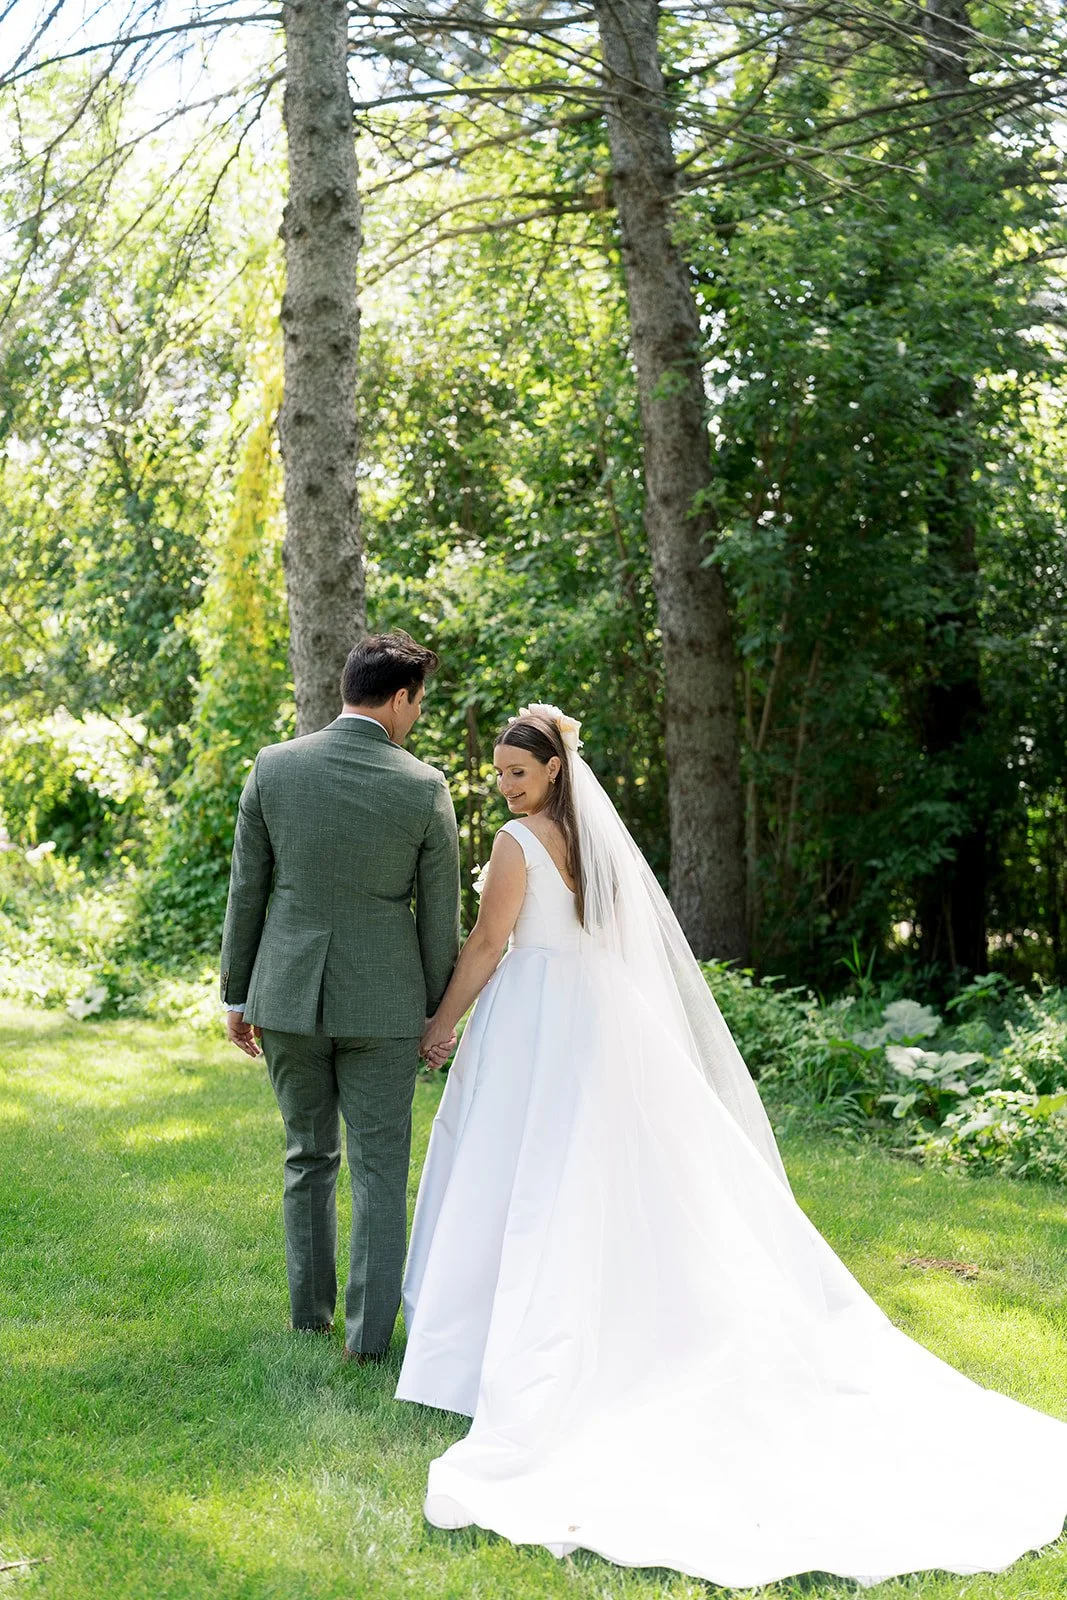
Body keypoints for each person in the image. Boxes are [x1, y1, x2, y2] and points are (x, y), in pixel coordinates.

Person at [397, 702, 1067, 1589]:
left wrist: (441, 1023)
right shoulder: (591, 840)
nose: (504, 785)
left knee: (519, 1171)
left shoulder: (519, 844)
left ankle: (489, 1345)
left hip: (536, 1019)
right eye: (498, 774)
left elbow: (489, 942)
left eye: (516, 773)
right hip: (596, 1018)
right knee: (574, 1174)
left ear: (554, 770)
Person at [220, 631, 460, 1362]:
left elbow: (247, 890)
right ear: (398, 698)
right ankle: (367, 1342)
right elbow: (439, 916)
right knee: (382, 1168)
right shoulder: (423, 787)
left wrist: (236, 992)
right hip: (384, 1003)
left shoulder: (274, 767)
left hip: (286, 993)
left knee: (306, 1157)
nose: (415, 717)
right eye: (417, 704)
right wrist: (436, 1013)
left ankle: (308, 1320)